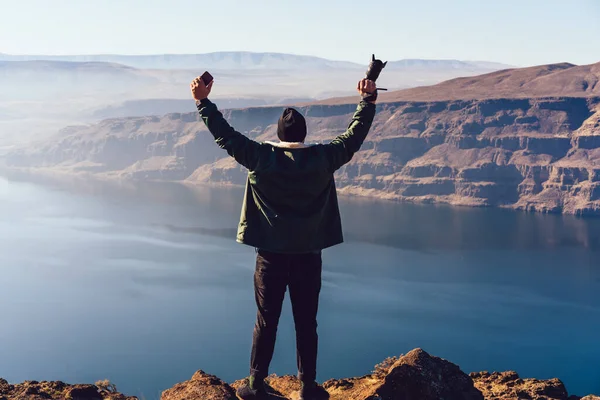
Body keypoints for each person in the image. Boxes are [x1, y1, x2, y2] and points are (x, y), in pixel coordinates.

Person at [190, 76, 377, 400]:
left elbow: (226, 136)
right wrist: (367, 101)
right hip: (308, 257)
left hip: (270, 258)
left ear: (279, 135)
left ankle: (254, 385)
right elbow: (353, 137)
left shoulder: (262, 157)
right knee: (307, 323)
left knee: (266, 321)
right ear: (303, 134)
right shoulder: (321, 158)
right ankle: (307, 387)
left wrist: (203, 103)